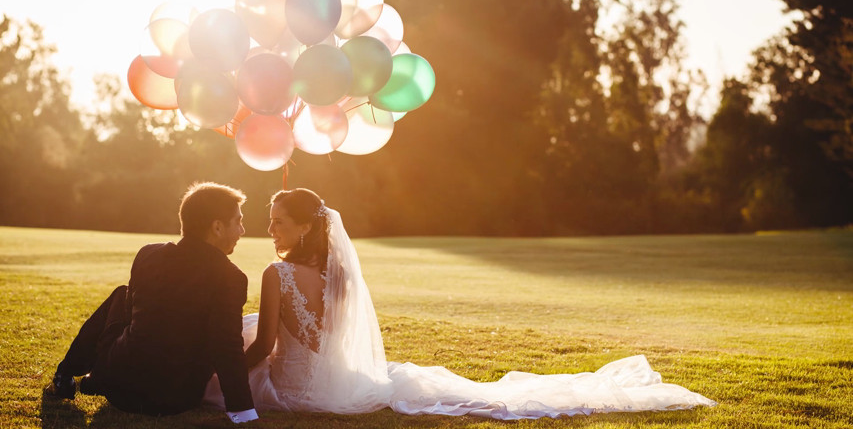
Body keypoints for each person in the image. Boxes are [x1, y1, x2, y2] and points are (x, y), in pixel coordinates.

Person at [204, 188, 716, 419]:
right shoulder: (338, 276)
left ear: (303, 226)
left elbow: (267, 347)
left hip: (299, 393)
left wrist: (232, 376)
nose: (269, 230)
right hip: (340, 384)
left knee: (244, 340)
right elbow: (329, 338)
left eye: (276, 221)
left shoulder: (276, 274)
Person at [44, 182, 259, 424]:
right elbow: (227, 346)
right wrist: (243, 412)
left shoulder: (149, 254)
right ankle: (81, 375)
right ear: (217, 227)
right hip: (174, 399)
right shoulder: (231, 277)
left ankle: (66, 373)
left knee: (121, 295)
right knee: (123, 296)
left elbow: (131, 315)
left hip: (118, 386)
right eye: (238, 221)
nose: (242, 230)